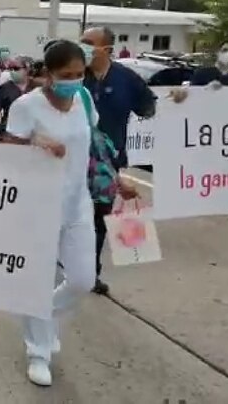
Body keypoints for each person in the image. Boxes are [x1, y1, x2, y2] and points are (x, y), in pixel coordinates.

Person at [1, 40, 99, 387]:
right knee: (38, 280)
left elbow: (94, 142)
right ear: (48, 74)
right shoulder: (27, 105)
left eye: (79, 74)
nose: (74, 80)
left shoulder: (84, 100)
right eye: (66, 75)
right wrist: (35, 143)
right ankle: (38, 353)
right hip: (37, 206)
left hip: (77, 203)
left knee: (82, 280)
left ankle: (45, 315)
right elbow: (6, 151)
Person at [79, 27, 157, 295]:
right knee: (70, 219)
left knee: (100, 220)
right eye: (82, 43)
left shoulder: (127, 79)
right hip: (73, 161)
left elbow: (149, 107)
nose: (84, 48)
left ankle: (91, 274)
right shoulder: (74, 76)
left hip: (108, 165)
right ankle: (67, 264)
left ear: (107, 49)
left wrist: (182, 99)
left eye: (89, 43)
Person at [0, 56, 34, 141]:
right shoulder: (4, 88)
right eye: (10, 69)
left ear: (27, 69)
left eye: (16, 68)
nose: (12, 71)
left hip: (31, 135)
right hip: (8, 135)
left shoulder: (36, 86)